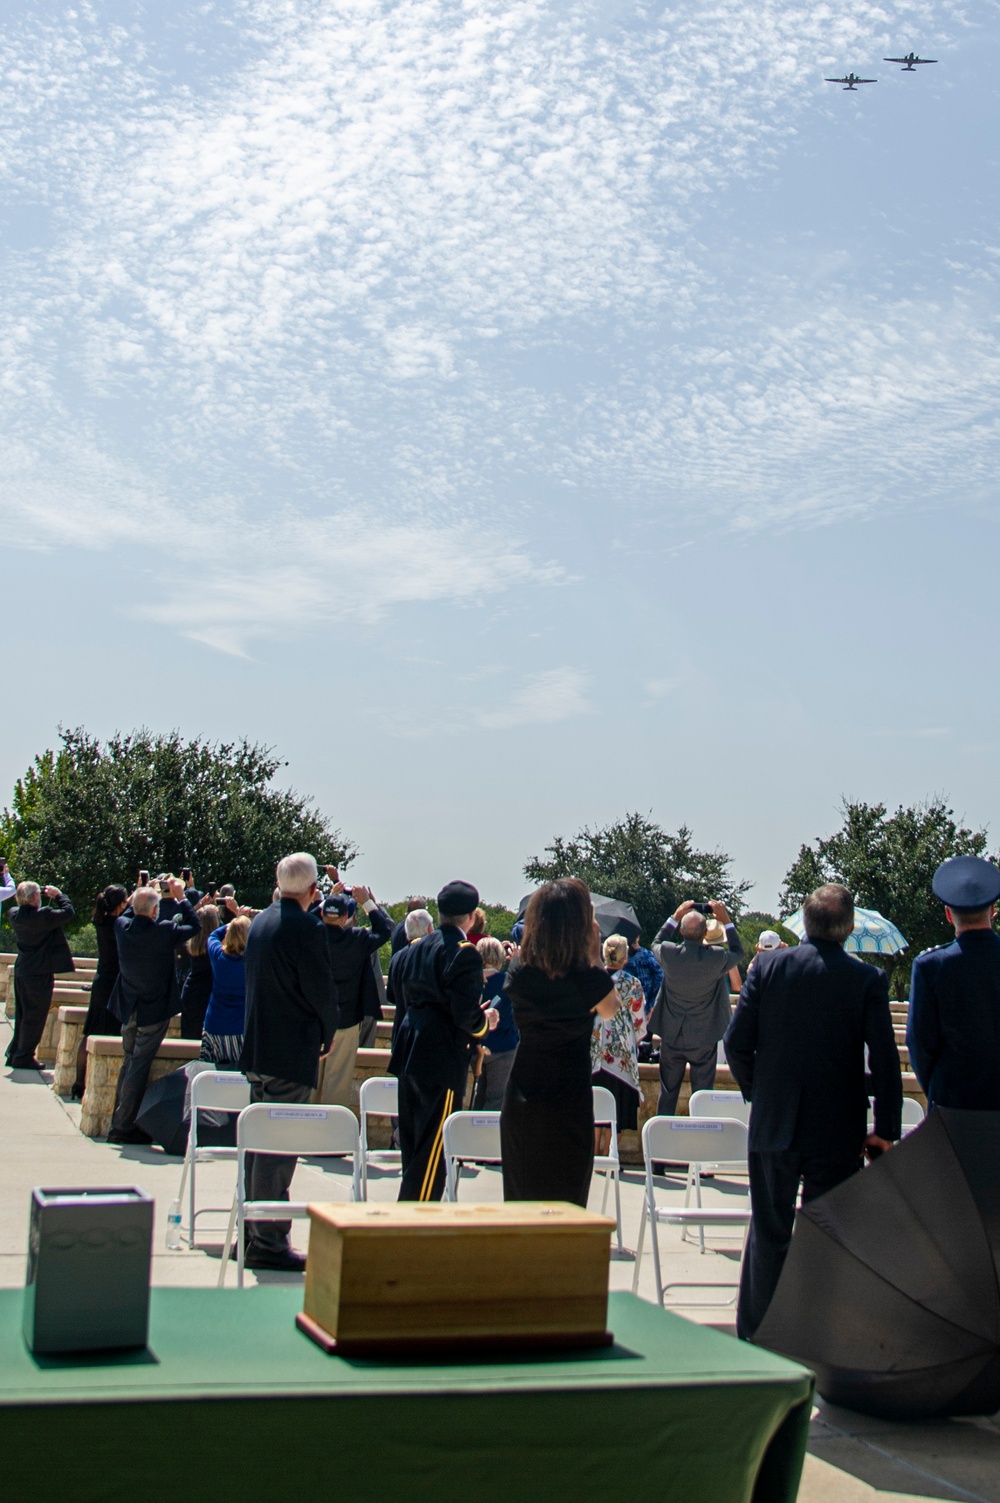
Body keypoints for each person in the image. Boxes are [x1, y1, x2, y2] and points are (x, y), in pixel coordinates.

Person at [725, 882, 902, 1341]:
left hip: (774, 1119)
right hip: (836, 1127)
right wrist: (885, 1129)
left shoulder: (767, 966)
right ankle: (821, 1337)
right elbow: (885, 1060)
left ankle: (756, 1339)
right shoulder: (866, 980)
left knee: (769, 1235)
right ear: (848, 929)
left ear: (804, 922)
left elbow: (736, 1042)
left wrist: (757, 1091)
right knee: (828, 1238)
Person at [239, 853, 337, 1271]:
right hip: (290, 1049)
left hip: (258, 1047)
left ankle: (251, 1232)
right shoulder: (308, 928)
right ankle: (268, 1241)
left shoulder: (260, 922)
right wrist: (327, 1034)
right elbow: (320, 990)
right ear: (314, 890)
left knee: (257, 1146)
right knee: (278, 1151)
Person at [501, 880, 620, 1207]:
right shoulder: (587, 976)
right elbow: (610, 1011)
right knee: (568, 1203)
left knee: (522, 1199)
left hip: (524, 1094)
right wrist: (595, 957)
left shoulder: (520, 968)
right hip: (570, 1097)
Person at [389, 881, 498, 1201]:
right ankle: (414, 1229)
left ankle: (407, 1224)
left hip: (409, 1045)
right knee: (432, 1154)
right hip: (439, 1053)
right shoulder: (464, 954)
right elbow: (465, 1015)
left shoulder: (419, 946)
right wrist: (485, 1024)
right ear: (469, 918)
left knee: (413, 1146)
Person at [106, 879, 201, 1143]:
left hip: (129, 1008)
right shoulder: (164, 930)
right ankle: (122, 1127)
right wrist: (182, 897)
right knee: (137, 1066)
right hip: (152, 1010)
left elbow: (129, 912)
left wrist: (142, 889)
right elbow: (195, 925)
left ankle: (120, 1121)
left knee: (130, 1063)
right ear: (155, 911)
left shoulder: (122, 927)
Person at [907, 855, 1000, 1110]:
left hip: (954, 1106)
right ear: (992, 910)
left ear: (948, 914)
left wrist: (938, 1093)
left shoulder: (930, 965)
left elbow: (920, 1045)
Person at [647, 900, 744, 1114]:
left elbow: (656, 941)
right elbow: (738, 952)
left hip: (672, 1036)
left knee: (667, 1094)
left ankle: (662, 1140)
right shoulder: (716, 957)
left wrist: (675, 916)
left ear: (681, 931)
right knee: (702, 1097)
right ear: (705, 934)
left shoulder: (669, 953)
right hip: (703, 1037)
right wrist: (726, 920)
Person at [315, 885, 393, 1106]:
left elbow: (299, 921)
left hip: (313, 1019)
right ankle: (330, 1133)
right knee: (337, 1082)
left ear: (322, 914)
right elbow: (385, 930)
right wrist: (367, 902)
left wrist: (326, 900)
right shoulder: (356, 938)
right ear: (346, 917)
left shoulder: (311, 935)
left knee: (312, 1081)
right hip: (346, 1020)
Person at [5, 882, 75, 1071]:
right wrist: (59, 895)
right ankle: (24, 1056)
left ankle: (15, 1053)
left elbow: (16, 908)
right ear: (34, 897)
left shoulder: (14, 914)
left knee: (23, 1015)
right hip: (39, 972)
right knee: (34, 1017)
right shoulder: (43, 916)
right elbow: (68, 912)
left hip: (23, 971)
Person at [72, 884, 128, 1099]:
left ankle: (78, 1083)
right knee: (112, 1031)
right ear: (120, 904)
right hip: (115, 982)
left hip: (101, 981)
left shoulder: (101, 921)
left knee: (91, 1031)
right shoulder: (119, 924)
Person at [592, 934, 646, 1150]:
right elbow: (639, 1020)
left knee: (596, 1102)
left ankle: (595, 1151)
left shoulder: (593, 979)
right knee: (620, 1105)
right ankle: (610, 1151)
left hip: (594, 1047)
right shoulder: (632, 984)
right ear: (625, 957)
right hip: (622, 1050)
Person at [472, 936, 519, 1110]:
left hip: (476, 1044)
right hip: (503, 1047)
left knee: (478, 1098)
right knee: (496, 1100)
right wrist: (516, 962)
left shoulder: (471, 979)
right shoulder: (507, 979)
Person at [202, 915, 251, 1067]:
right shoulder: (252, 962)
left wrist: (231, 924)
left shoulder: (218, 956)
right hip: (241, 1027)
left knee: (211, 1074)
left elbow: (213, 935)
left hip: (214, 1025)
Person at [386, 907, 435, 1048]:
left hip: (400, 1032)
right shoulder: (432, 956)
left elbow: (391, 996)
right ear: (430, 929)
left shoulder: (397, 957)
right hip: (423, 1035)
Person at [180, 905, 221, 1039]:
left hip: (191, 992)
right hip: (210, 993)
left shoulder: (191, 945)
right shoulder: (217, 949)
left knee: (189, 1037)